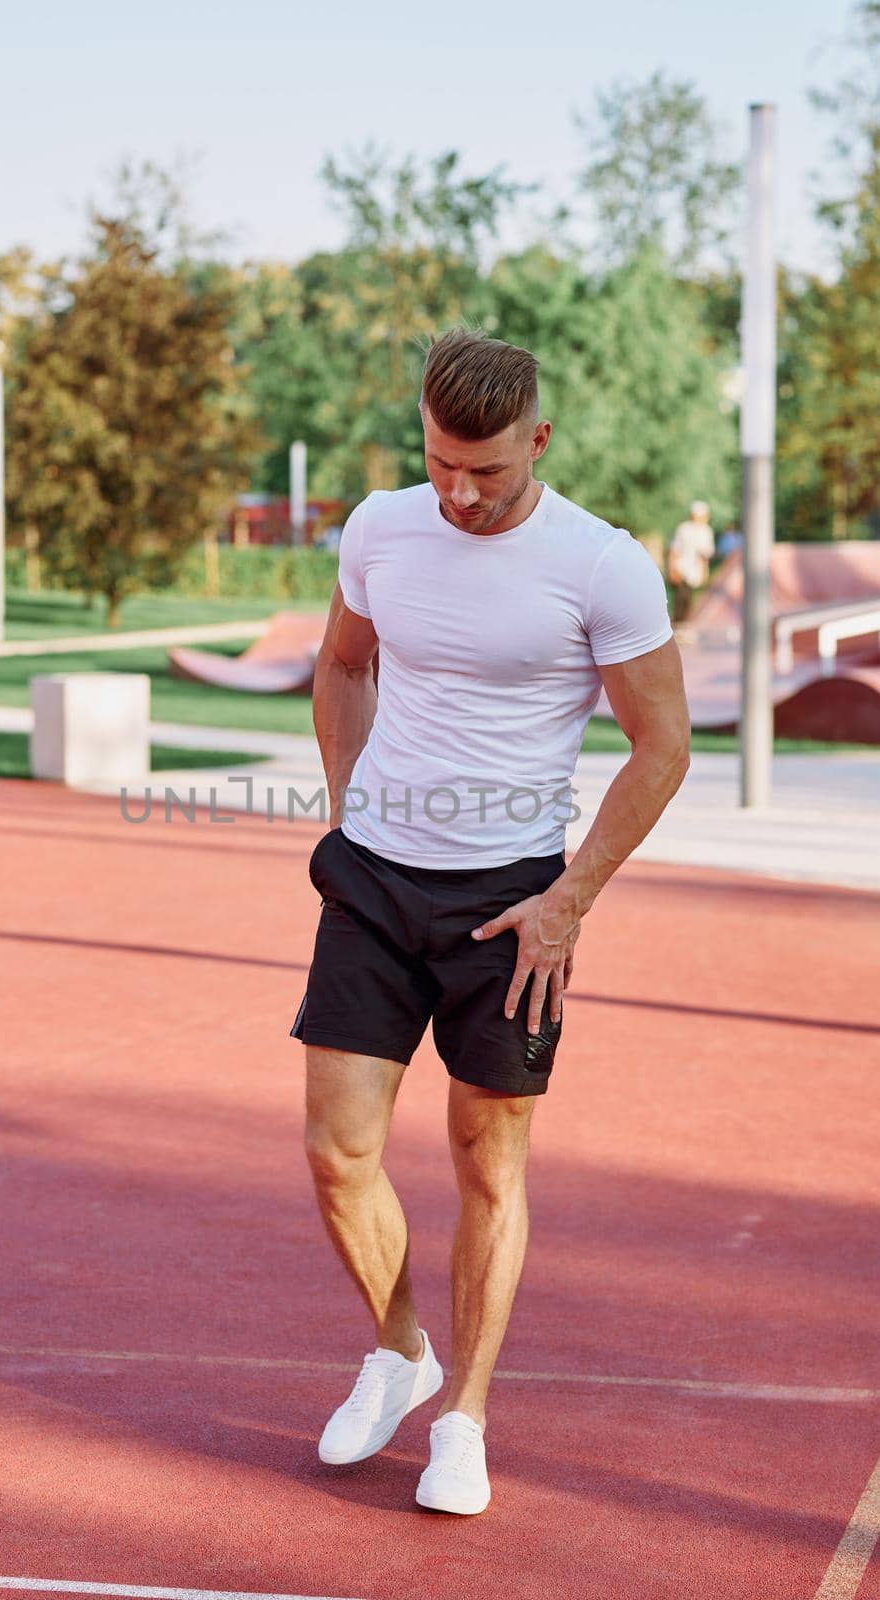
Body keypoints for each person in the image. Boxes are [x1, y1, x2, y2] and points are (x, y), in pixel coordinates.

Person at [289, 328, 690, 1516]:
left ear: (538, 442)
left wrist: (566, 902)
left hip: (509, 903)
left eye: (488, 472)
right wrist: (344, 801)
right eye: (439, 464)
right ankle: (398, 1349)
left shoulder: (601, 566)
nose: (459, 493)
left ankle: (461, 1412)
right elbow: (344, 662)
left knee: (484, 1162)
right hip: (373, 877)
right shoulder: (377, 526)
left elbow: (660, 746)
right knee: (334, 1150)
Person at [668, 500, 716, 622]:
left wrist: (705, 572)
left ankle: (683, 623)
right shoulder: (684, 529)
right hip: (682, 568)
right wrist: (672, 568)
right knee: (681, 598)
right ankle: (679, 623)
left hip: (695, 571)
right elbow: (675, 550)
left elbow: (705, 555)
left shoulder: (706, 531)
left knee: (689, 600)